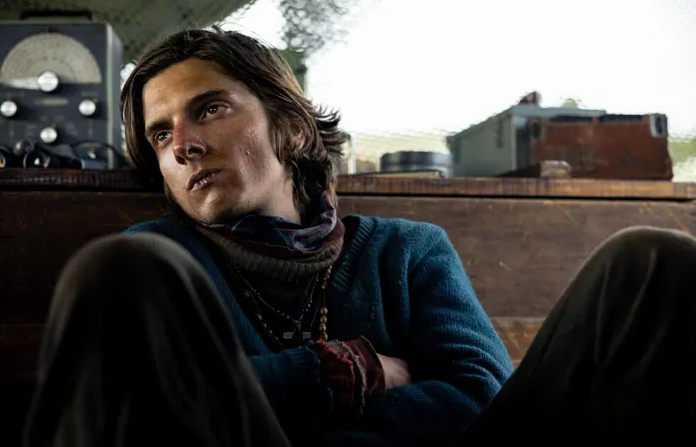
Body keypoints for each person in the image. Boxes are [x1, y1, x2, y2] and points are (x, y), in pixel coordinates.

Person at [22, 27, 696, 447]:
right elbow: (162, 411)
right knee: (115, 265)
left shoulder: (407, 249)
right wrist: (347, 370)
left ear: (290, 127)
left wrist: (283, 401)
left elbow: (480, 396)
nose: (183, 145)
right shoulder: (158, 265)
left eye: (210, 109)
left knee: (651, 263)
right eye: (160, 134)